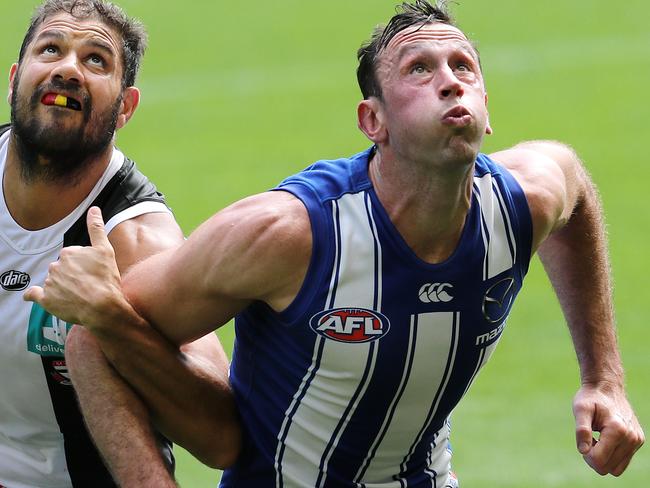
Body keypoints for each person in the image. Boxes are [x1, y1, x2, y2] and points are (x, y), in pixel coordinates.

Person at [26, 0, 644, 486]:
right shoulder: (286, 233)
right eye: (419, 71)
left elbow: (578, 190)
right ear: (372, 121)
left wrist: (604, 379)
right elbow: (94, 337)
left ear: (487, 110)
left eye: (463, 68)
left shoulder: (524, 201)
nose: (450, 83)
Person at [2, 0, 239, 486]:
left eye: (96, 60)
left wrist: (114, 320)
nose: (68, 68)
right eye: (51, 49)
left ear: (125, 107)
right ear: (15, 77)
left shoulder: (137, 239)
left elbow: (221, 438)